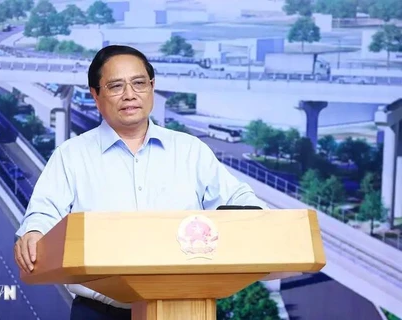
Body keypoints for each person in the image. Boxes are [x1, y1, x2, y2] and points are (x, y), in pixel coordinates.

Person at [14, 45, 269, 320]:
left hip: (185, 309)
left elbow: (242, 203)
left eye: (139, 83)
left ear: (152, 87)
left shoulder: (189, 150)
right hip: (100, 312)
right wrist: (33, 233)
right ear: (95, 95)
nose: (130, 95)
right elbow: (43, 213)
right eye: (115, 86)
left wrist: (253, 221)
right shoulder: (71, 155)